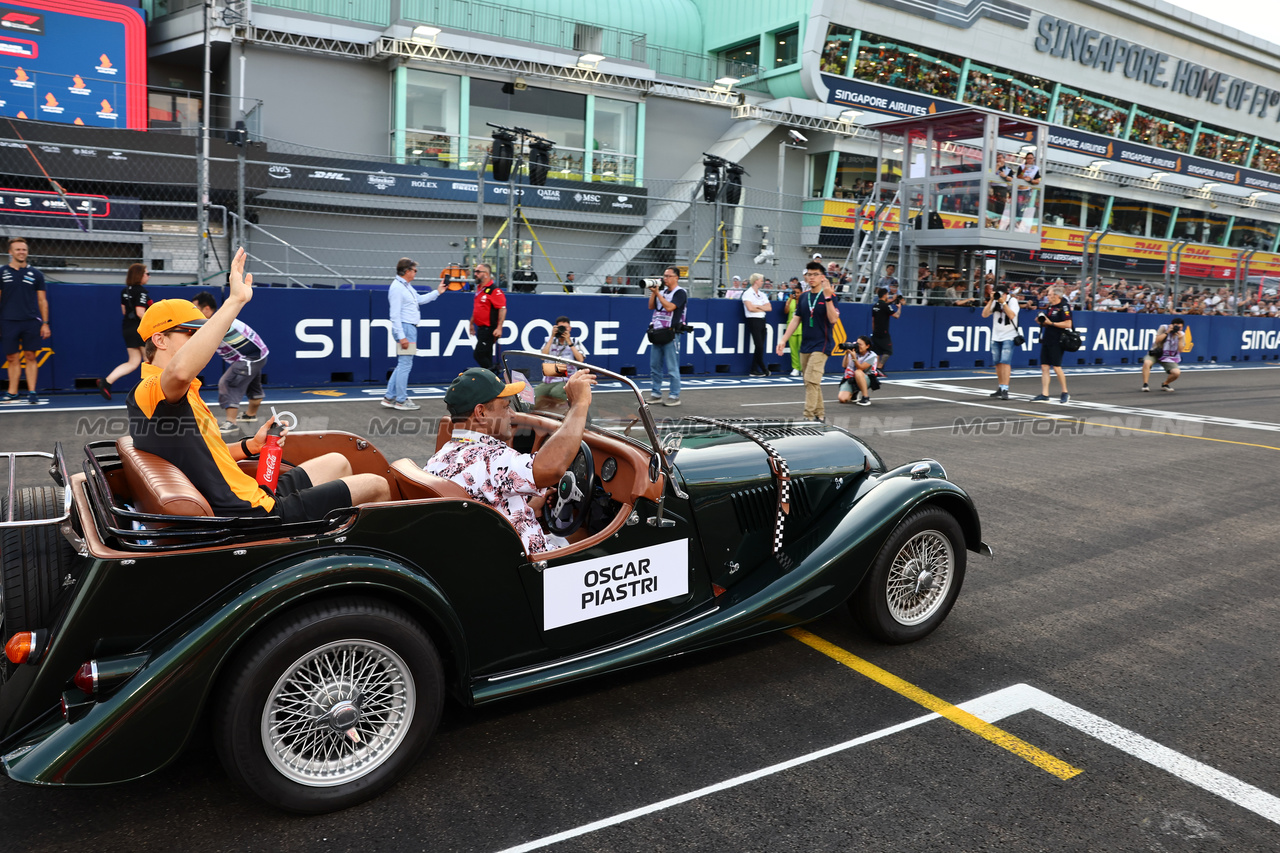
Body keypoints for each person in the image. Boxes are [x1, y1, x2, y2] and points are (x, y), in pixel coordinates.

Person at [127, 248, 390, 521]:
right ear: (160, 340)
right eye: (193, 332)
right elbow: (179, 372)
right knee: (377, 485)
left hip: (249, 492)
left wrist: (251, 446)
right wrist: (235, 301)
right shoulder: (153, 388)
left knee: (339, 461)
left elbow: (206, 454)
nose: (207, 339)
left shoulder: (178, 392)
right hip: (250, 511)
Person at [426, 367, 596, 555]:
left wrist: (529, 506)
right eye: (506, 407)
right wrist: (579, 404)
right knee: (587, 535)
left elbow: (486, 500)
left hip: (483, 550)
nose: (513, 415)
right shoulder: (492, 458)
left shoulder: (437, 459)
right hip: (531, 564)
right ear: (481, 412)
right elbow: (552, 468)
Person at [193, 292, 270, 434]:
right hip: (259, 355)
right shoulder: (223, 318)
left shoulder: (216, 323)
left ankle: (231, 423)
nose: (192, 312)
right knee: (253, 387)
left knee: (227, 383)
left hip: (249, 358)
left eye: (195, 308)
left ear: (207, 309)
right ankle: (250, 415)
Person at [775, 261, 841, 422]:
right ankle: (820, 415)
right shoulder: (803, 297)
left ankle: (808, 417)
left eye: (815, 274)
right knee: (809, 381)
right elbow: (796, 320)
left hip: (822, 344)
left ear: (822, 277)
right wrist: (783, 340)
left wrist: (827, 298)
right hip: (806, 344)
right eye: (809, 274)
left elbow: (833, 319)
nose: (811, 278)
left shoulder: (830, 296)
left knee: (812, 379)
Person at [385, 257, 449, 411]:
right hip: (406, 328)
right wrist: (402, 336)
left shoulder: (405, 286)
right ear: (407, 271)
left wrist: (437, 292)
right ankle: (400, 400)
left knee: (402, 364)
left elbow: (419, 299)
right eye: (414, 270)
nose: (416, 273)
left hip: (408, 328)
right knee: (405, 364)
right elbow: (394, 315)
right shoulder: (398, 288)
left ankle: (389, 397)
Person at [0, 236, 49, 404]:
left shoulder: (36, 274)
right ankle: (12, 392)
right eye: (18, 249)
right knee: (12, 358)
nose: (21, 252)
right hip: (8, 321)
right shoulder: (2, 272)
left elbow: (42, 300)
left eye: (24, 249)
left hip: (31, 321)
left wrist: (45, 323)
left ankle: (32, 391)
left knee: (30, 356)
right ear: (10, 252)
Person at [97, 263, 152, 400]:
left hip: (127, 328)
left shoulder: (125, 291)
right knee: (151, 360)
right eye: (147, 273)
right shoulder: (141, 291)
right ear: (140, 275)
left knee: (133, 362)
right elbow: (140, 313)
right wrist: (153, 324)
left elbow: (124, 311)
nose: (148, 276)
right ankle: (151, 392)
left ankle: (107, 381)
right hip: (139, 329)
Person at [647, 267, 687, 406]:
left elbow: (670, 307)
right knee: (655, 366)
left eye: (668, 276)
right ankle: (655, 393)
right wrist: (654, 293)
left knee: (672, 366)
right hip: (658, 332)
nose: (665, 279)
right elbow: (651, 306)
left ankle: (674, 395)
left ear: (676, 278)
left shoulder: (680, 293)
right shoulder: (662, 292)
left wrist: (658, 294)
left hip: (671, 333)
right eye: (664, 276)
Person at [1031, 284, 1071, 403]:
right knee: (1044, 366)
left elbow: (1068, 324)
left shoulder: (1064, 306)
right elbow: (1047, 323)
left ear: (1056, 296)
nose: (1047, 296)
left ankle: (1065, 392)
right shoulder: (1050, 307)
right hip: (1047, 338)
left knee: (1057, 367)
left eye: (1049, 294)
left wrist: (1051, 323)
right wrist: (1041, 322)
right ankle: (1045, 393)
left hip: (1058, 340)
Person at [535, 314, 587, 403]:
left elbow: (581, 360)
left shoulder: (575, 341)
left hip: (567, 378)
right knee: (534, 395)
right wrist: (552, 336)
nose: (563, 330)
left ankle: (575, 407)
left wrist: (569, 342)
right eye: (560, 328)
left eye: (565, 328)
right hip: (550, 378)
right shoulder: (549, 340)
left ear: (570, 328)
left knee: (556, 393)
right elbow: (542, 356)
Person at [982, 284, 1020, 400]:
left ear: (1005, 294)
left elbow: (1012, 315)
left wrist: (1003, 302)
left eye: (1000, 294)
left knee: (1005, 362)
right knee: (998, 363)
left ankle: (1005, 388)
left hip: (1009, 335)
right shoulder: (995, 301)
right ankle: (1000, 386)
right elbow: (984, 315)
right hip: (996, 336)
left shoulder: (1012, 301)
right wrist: (991, 300)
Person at [471, 262, 506, 372]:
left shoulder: (494, 290)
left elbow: (502, 308)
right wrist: (471, 323)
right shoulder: (479, 288)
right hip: (481, 328)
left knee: (479, 354)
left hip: (489, 329)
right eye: (475, 271)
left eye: (477, 272)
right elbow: (478, 308)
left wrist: (499, 327)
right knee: (486, 355)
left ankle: (492, 376)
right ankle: (491, 381)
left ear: (486, 274)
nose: (475, 274)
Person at [1142, 316, 1186, 392]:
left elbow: (1180, 350)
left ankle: (1165, 384)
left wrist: (1180, 339)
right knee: (1147, 362)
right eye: (1176, 326)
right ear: (1171, 325)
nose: (1177, 328)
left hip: (1169, 357)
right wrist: (1167, 332)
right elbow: (1157, 340)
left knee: (1176, 373)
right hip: (1157, 352)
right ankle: (1145, 384)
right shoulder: (1164, 328)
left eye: (1180, 327)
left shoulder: (1182, 334)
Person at [742, 273, 772, 376]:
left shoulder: (762, 294)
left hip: (762, 320)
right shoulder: (747, 293)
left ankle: (754, 369)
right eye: (761, 280)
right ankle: (762, 366)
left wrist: (757, 306)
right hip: (753, 320)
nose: (762, 282)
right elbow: (750, 308)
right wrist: (761, 306)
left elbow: (769, 308)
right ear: (756, 281)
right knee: (758, 345)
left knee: (760, 346)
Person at [837, 336, 878, 406]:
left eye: (860, 344)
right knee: (842, 399)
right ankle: (854, 392)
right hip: (851, 378)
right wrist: (847, 353)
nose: (858, 346)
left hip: (866, 378)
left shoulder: (872, 355)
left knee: (858, 372)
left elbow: (860, 368)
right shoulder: (854, 352)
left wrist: (854, 358)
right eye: (857, 344)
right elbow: (844, 366)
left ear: (867, 346)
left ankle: (865, 397)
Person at [870, 286, 901, 373]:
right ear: (885, 295)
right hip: (884, 332)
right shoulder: (886, 306)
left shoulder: (875, 306)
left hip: (875, 332)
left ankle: (875, 369)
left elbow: (873, 321)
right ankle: (879, 368)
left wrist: (873, 331)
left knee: (876, 351)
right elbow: (896, 316)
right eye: (887, 294)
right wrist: (899, 308)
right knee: (888, 351)